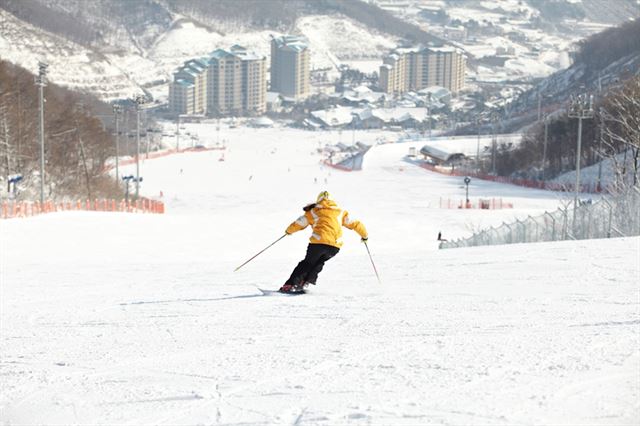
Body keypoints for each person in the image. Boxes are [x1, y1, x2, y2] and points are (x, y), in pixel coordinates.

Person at [280, 191, 368, 293]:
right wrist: (364, 236)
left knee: (307, 263)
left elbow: (299, 223)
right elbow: (355, 224)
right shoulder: (340, 212)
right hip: (334, 246)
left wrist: (288, 231)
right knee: (319, 262)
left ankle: (290, 285)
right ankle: (305, 282)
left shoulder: (314, 211)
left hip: (318, 243)